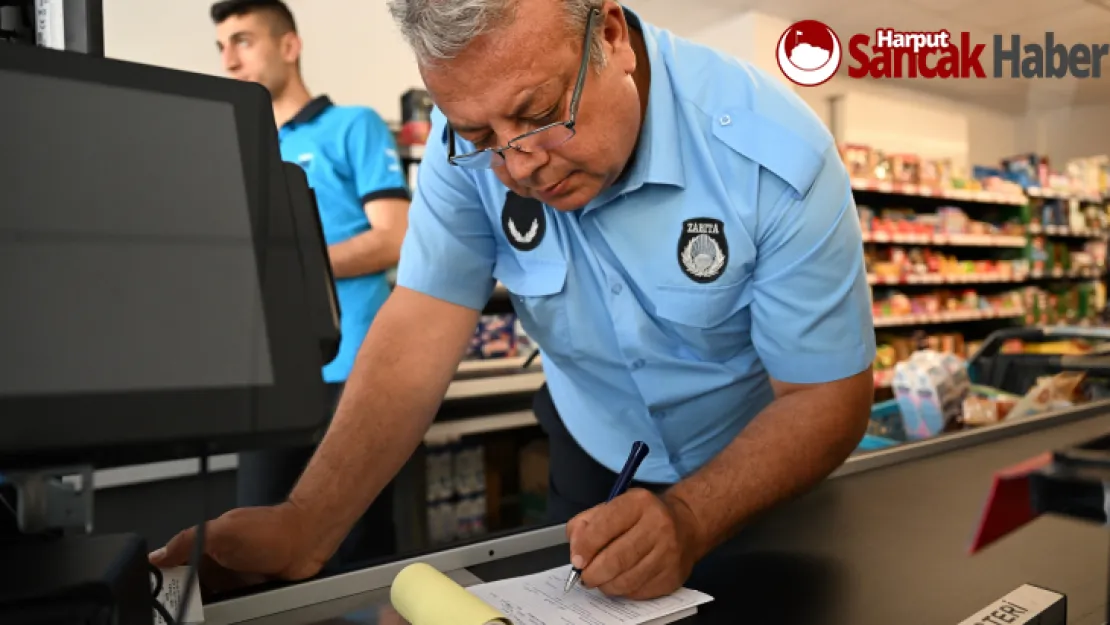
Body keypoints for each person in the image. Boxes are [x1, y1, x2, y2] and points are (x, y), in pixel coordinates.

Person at [152, 0, 875, 600]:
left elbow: (824, 397)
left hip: (756, 471)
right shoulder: (463, 150)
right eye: (478, 135)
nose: (516, 164)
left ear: (613, 37)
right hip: (595, 454)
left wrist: (689, 515)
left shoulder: (774, 156)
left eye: (536, 114)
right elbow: (420, 322)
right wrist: (306, 523)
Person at [208, 0, 411, 569]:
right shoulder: (238, 146)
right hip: (268, 372)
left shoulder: (354, 125)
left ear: (289, 47)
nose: (228, 59)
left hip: (352, 371)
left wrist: (283, 265)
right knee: (248, 546)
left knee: (353, 552)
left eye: (243, 40)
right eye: (221, 46)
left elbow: (393, 237)